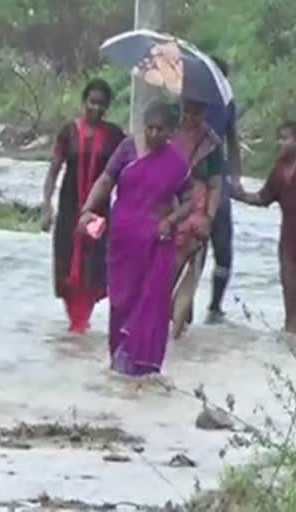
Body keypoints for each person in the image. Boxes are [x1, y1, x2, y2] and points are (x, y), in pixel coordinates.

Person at [77, 100, 192, 376]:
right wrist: (87, 210)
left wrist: (170, 220)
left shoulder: (175, 163)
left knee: (149, 301)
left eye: (160, 130)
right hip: (122, 241)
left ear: (171, 132)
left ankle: (141, 367)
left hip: (155, 244)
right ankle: (118, 363)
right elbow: (106, 180)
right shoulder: (127, 149)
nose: (154, 135)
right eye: (149, 128)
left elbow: (189, 199)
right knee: (120, 302)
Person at [234, 122, 296, 334]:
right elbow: (263, 198)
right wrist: (239, 195)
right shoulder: (278, 172)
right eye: (278, 138)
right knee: (290, 300)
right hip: (289, 245)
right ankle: (292, 345)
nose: (279, 143)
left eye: (285, 138)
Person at [41, 79, 124, 334]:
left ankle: (80, 325)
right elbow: (54, 170)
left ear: (107, 106)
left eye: (101, 104)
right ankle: (76, 326)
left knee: (93, 268)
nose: (95, 109)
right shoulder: (68, 133)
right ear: (83, 102)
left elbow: (123, 172)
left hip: (99, 213)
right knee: (67, 267)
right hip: (69, 211)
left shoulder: (114, 136)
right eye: (92, 102)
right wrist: (47, 205)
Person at [170, 98, 224, 339]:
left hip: (198, 213)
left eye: (196, 113)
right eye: (187, 112)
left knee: (191, 274)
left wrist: (209, 218)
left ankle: (175, 338)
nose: (191, 118)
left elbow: (215, 185)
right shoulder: (167, 133)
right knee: (166, 273)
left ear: (204, 113)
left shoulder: (211, 143)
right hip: (168, 209)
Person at [203, 56, 242, 324]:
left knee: (222, 247)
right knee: (192, 245)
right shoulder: (189, 102)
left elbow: (233, 139)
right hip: (193, 179)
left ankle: (214, 307)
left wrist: (236, 178)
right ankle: (185, 308)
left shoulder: (227, 105)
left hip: (219, 178)